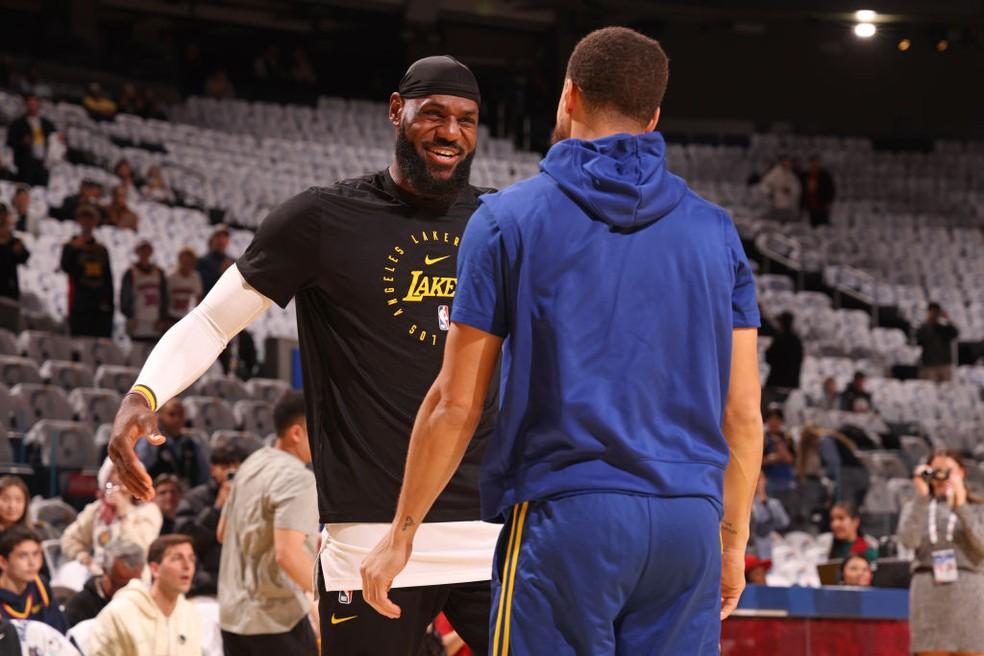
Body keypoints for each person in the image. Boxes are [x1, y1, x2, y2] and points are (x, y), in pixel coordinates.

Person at [360, 28, 763, 653]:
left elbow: (456, 403)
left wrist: (402, 531)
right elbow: (742, 414)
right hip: (689, 522)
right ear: (653, 116)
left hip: (568, 515)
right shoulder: (717, 232)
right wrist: (732, 542)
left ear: (568, 96)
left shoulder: (506, 219)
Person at [109, 55, 499, 654]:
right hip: (369, 538)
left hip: (491, 529)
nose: (451, 133)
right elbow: (214, 319)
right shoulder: (322, 218)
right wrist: (145, 393)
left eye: (467, 120)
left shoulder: (499, 222)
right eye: (435, 115)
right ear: (397, 111)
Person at [216, 391, 318, 653]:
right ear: (296, 433)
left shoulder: (252, 463)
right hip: (276, 622)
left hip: (232, 618)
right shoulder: (299, 477)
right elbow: (288, 555)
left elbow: (222, 532)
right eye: (317, 429)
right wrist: (329, 598)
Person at [897, 450, 984, 656]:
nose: (942, 477)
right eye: (936, 472)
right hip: (928, 589)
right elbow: (908, 541)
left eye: (949, 472)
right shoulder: (915, 506)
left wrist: (962, 507)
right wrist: (921, 498)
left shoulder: (979, 508)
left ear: (962, 472)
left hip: (970, 589)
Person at [86, 534, 202, 655]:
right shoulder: (119, 614)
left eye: (191, 559)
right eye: (177, 558)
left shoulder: (192, 616)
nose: (187, 566)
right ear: (155, 569)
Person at [172, 439, 251, 596]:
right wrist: (216, 509)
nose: (232, 473)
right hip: (205, 587)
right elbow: (185, 540)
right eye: (225, 467)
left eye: (237, 468)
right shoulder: (194, 499)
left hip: (245, 587)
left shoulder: (254, 499)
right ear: (213, 469)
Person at [60, 462, 163, 573]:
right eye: (115, 471)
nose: (122, 475)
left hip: (134, 579)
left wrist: (123, 513)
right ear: (107, 478)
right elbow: (69, 539)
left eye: (129, 471)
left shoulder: (149, 511)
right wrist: (83, 557)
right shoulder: (97, 510)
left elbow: (142, 548)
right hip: (100, 577)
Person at [63, 539, 145, 628]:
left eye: (134, 585)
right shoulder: (79, 608)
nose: (127, 592)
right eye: (120, 586)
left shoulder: (143, 602)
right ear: (104, 571)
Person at [60, 205, 114, 338]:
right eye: (84, 219)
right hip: (79, 303)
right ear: (79, 221)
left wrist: (109, 304)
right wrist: (73, 249)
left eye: (90, 219)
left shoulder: (101, 250)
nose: (87, 223)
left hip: (98, 305)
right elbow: (64, 266)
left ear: (95, 222)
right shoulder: (71, 246)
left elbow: (108, 279)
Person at [0, 526, 66, 633]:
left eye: (36, 554)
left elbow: (60, 633)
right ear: (3, 562)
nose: (32, 563)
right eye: (23, 556)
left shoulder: (40, 584)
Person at [135, 398, 209, 488]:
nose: (177, 419)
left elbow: (203, 477)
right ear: (159, 417)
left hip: (186, 496)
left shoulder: (192, 444)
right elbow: (140, 471)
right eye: (172, 414)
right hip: (156, 495)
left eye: (181, 414)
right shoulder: (150, 442)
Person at [119, 240, 168, 343]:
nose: (145, 253)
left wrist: (162, 318)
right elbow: (124, 297)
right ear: (137, 252)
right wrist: (130, 316)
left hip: (155, 322)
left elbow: (164, 297)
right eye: (142, 250)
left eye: (147, 250)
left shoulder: (158, 272)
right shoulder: (131, 272)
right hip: (137, 322)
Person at [4, 93, 57, 186]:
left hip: (42, 165)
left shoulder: (47, 124)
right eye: (30, 103)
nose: (32, 106)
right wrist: (22, 142)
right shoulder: (18, 124)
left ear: (39, 105)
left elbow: (55, 138)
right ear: (26, 105)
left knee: (40, 191)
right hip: (24, 165)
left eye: (34, 103)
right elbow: (10, 143)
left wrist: (58, 138)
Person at [750, 471, 790, 560]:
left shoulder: (773, 503)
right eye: (754, 479)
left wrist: (765, 503)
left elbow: (784, 522)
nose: (757, 482)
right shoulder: (746, 506)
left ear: (765, 480)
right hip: (752, 548)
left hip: (772, 545)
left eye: (759, 479)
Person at [916, 302, 959, 383]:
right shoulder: (924, 327)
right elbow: (919, 339)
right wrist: (928, 321)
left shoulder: (944, 327)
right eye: (932, 311)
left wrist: (948, 320)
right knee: (930, 389)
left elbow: (955, 333)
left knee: (947, 389)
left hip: (944, 364)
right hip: (929, 364)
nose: (934, 314)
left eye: (936, 312)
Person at [762, 407, 796, 500]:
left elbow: (791, 459)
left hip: (787, 480)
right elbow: (759, 462)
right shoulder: (763, 438)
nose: (774, 422)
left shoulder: (787, 438)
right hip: (770, 480)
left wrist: (781, 447)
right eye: (771, 419)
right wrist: (774, 458)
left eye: (777, 419)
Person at [764, 311, 803, 390]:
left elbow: (769, 358)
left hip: (776, 382)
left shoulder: (779, 339)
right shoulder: (797, 341)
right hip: (793, 384)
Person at [759, 156, 802, 223]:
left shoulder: (791, 174)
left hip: (788, 204)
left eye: (787, 162)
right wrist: (769, 193)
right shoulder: (774, 173)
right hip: (777, 203)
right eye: (784, 161)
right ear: (781, 162)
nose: (786, 163)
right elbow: (764, 185)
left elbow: (797, 188)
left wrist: (790, 190)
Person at [166, 247, 203, 322]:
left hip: (187, 317)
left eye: (189, 262)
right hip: (171, 317)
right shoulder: (170, 277)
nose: (186, 264)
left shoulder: (195, 277)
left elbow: (198, 297)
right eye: (184, 261)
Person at [0, 209, 29, 301]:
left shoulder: (14, 242)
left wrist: (19, 249)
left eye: (4, 224)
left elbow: (24, 257)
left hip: (8, 290)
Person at [195, 225, 233, 294]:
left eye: (224, 237)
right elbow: (202, 287)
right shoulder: (202, 262)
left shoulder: (232, 262)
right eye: (218, 236)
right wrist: (221, 274)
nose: (221, 240)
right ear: (212, 240)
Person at [803, 155, 836, 227]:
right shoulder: (806, 175)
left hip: (822, 204)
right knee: (813, 225)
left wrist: (829, 202)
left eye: (816, 162)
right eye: (813, 163)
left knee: (823, 225)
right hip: (811, 205)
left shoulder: (824, 175)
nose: (815, 164)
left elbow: (831, 189)